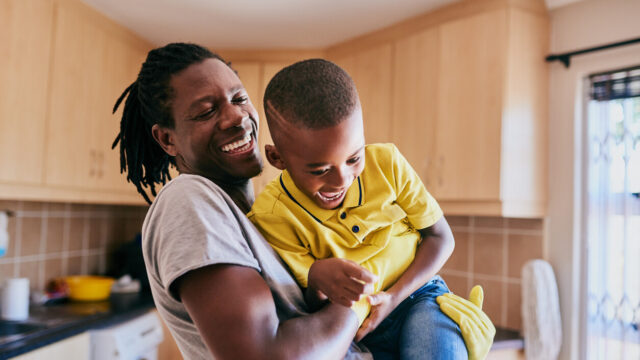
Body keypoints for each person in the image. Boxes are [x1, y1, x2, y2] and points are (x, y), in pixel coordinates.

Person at [113, 42, 493, 360]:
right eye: (207, 111)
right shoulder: (188, 201)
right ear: (167, 140)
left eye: (239, 98)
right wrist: (364, 289)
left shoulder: (258, 217)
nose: (235, 117)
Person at [248, 59, 495, 359]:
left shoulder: (387, 163)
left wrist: (392, 298)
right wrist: (315, 277)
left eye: (354, 158)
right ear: (277, 158)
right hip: (354, 328)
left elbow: (441, 237)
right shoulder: (272, 215)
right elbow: (304, 307)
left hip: (418, 297)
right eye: (320, 169)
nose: (341, 180)